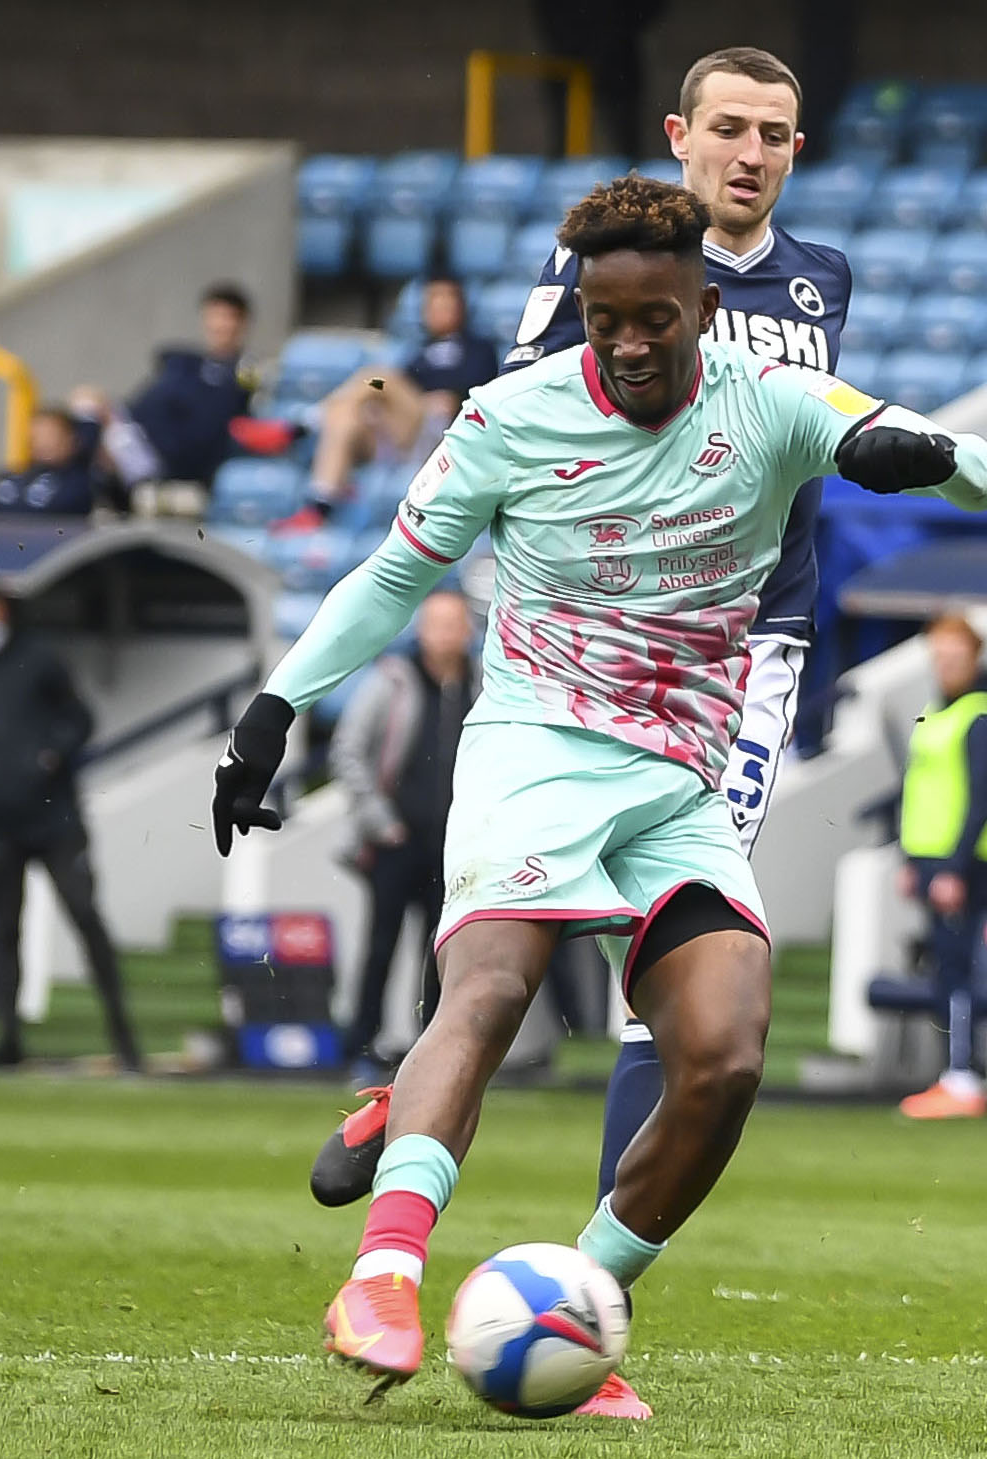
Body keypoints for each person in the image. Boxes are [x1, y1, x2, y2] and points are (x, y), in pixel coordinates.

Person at [209, 175, 987, 1402]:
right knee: (487, 996)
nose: (630, 345)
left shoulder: (777, 403)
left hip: (680, 778)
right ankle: (381, 1275)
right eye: (605, 321)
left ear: (704, 304)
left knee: (728, 1056)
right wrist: (275, 709)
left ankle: (576, 1298)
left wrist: (929, 457)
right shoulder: (506, 418)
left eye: (657, 320)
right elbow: (384, 578)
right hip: (535, 745)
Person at [308, 51, 859, 1419]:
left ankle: (580, 1291)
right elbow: (530, 439)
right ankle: (443, 1134)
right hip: (580, 666)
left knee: (679, 996)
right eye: (725, 128)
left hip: (745, 658)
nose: (747, 153)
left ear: (796, 151)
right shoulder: (606, 273)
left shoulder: (821, 280)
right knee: (548, 969)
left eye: (772, 135)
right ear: (679, 138)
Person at [0, 589, 137, 1070]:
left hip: (53, 818)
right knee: (3, 931)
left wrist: (50, 755)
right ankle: (7, 1038)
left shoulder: (38, 662)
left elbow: (79, 719)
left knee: (84, 913)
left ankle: (125, 1037)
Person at [328, 590, 476, 1087]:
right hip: (395, 843)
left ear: (468, 631)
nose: (446, 635)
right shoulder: (393, 681)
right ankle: (360, 1048)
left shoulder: (481, 684)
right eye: (437, 624)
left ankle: (432, 1054)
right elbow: (348, 751)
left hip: (453, 848)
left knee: (442, 953)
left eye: (454, 624)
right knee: (380, 947)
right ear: (421, 629)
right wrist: (379, 820)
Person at [894, 615, 987, 1120]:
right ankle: (954, 1070)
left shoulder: (982, 716)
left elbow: (979, 799)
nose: (944, 667)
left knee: (959, 967)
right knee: (943, 966)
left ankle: (964, 1073)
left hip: (963, 861)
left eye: (954, 657)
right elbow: (921, 787)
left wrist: (953, 867)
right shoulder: (936, 711)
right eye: (938, 657)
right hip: (931, 857)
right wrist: (911, 858)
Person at [283, 280, 503, 528]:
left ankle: (304, 424)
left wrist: (453, 397)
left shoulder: (478, 348)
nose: (439, 310)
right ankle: (320, 505)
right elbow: (402, 390)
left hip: (443, 429)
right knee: (345, 418)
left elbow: (484, 390)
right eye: (433, 304)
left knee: (377, 377)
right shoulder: (420, 352)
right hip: (405, 431)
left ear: (460, 308)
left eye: (446, 303)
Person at [101, 282, 259, 491]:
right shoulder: (188, 364)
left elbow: (222, 417)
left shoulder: (245, 369)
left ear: (242, 322)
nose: (219, 325)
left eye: (227, 317)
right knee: (88, 405)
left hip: (177, 458)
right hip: (140, 434)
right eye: (213, 316)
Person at [531, 0, 670, 160]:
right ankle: (561, 161)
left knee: (625, 136)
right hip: (570, 51)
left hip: (616, 51)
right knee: (564, 136)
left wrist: (618, 30)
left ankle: (630, 161)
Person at [0, 397, 120, 516]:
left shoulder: (80, 479)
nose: (43, 443)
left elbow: (56, 511)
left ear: (71, 439)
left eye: (51, 435)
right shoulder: (11, 475)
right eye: (37, 436)